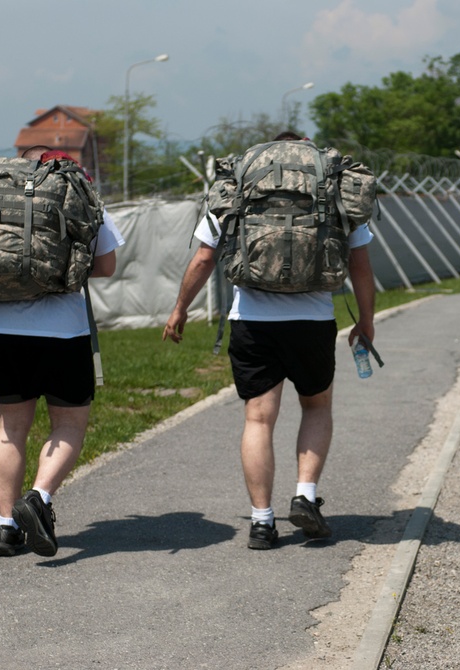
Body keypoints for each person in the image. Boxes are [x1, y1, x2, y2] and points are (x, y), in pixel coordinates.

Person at [162, 132, 377, 550]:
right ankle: (305, 496)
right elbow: (361, 266)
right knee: (316, 407)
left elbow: (205, 257)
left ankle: (262, 522)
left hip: (253, 320)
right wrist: (365, 321)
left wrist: (180, 308)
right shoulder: (330, 181)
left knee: (259, 419)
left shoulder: (242, 181)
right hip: (312, 319)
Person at [0, 146, 125, 558]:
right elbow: (106, 265)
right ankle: (39, 498)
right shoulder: (76, 193)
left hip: (0, 329)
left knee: (10, 429)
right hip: (63, 334)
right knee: (68, 424)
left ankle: (7, 527)